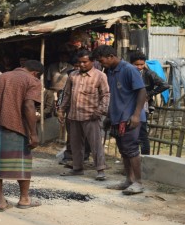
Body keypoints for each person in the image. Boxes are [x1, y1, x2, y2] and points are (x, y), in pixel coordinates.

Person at [0, 60, 44, 212]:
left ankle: (0, 202)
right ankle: (24, 199)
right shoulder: (33, 81)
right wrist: (33, 133)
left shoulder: (1, 77)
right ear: (36, 73)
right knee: (22, 163)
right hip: (17, 127)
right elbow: (28, 106)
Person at [93, 45, 148, 195]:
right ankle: (129, 180)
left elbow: (142, 91)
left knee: (131, 150)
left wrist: (136, 115)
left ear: (111, 56)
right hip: (117, 117)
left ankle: (138, 183)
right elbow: (114, 96)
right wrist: (109, 117)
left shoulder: (129, 69)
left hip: (130, 118)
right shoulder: (110, 71)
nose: (101, 64)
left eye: (102, 60)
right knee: (124, 151)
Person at [57, 50, 110, 181]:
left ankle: (100, 170)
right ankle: (77, 168)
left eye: (85, 62)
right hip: (74, 115)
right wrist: (61, 110)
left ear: (92, 62)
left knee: (95, 144)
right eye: (80, 62)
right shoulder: (73, 75)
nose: (82, 64)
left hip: (91, 115)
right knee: (75, 144)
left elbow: (106, 95)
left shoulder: (100, 76)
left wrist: (99, 111)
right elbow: (67, 94)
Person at [130, 52, 169, 156]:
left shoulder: (149, 73)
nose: (139, 67)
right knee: (130, 134)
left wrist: (149, 94)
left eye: (141, 64)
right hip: (128, 105)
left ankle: (145, 159)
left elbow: (165, 85)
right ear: (131, 63)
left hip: (142, 106)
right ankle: (132, 159)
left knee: (142, 133)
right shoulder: (127, 73)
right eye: (136, 64)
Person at [57, 54, 91, 167]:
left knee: (86, 135)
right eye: (76, 65)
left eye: (80, 64)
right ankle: (69, 156)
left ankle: (84, 156)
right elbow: (64, 93)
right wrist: (61, 109)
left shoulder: (93, 76)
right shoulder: (71, 75)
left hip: (87, 111)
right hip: (71, 110)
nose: (78, 67)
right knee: (72, 134)